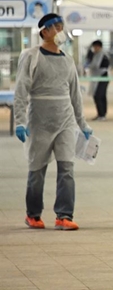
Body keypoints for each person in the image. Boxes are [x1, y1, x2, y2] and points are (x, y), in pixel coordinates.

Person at [14, 13, 92, 231]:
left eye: (61, 26)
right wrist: (20, 121)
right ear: (44, 31)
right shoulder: (31, 56)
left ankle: (64, 215)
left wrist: (82, 123)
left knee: (67, 167)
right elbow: (21, 90)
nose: (60, 31)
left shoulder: (67, 60)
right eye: (55, 27)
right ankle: (33, 214)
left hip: (65, 120)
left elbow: (75, 94)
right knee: (37, 169)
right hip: (39, 121)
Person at [87, 40, 110, 121]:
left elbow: (95, 65)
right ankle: (101, 114)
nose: (94, 49)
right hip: (99, 77)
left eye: (95, 47)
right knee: (100, 96)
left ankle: (102, 114)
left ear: (98, 47)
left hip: (102, 77)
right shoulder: (98, 54)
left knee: (99, 95)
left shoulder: (101, 54)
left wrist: (90, 65)